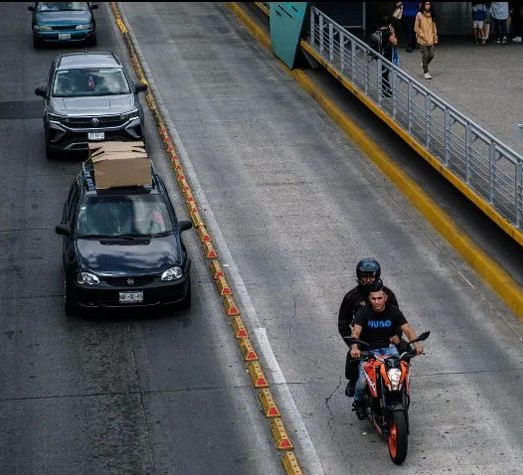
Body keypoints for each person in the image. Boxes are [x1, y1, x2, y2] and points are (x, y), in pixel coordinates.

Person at [349, 280, 424, 419]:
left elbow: (407, 329)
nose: (376, 302)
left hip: (389, 351)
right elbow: (356, 332)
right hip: (369, 353)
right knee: (362, 382)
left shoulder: (393, 311)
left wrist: (416, 344)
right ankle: (358, 403)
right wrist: (354, 347)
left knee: (401, 375)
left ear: (385, 297)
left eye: (379, 298)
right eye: (373, 299)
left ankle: (399, 397)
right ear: (369, 299)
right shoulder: (363, 313)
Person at [338, 258, 406, 398]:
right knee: (353, 359)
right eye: (365, 276)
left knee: (406, 350)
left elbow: (397, 318)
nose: (368, 280)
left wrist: (397, 335)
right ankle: (353, 382)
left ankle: (401, 380)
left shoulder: (387, 294)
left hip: (386, 339)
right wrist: (353, 343)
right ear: (359, 276)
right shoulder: (352, 296)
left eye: (371, 276)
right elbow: (343, 322)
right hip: (364, 341)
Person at [415, 2, 438, 80]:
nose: (428, 6)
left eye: (429, 4)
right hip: (422, 40)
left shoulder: (432, 15)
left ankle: (424, 63)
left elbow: (434, 27)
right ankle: (426, 72)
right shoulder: (419, 14)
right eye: (426, 4)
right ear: (423, 5)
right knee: (425, 55)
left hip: (430, 39)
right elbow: (416, 28)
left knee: (431, 55)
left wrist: (435, 37)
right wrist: (422, 35)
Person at [377, 16, 398, 97]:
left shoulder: (378, 31)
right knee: (385, 73)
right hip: (386, 55)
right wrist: (393, 33)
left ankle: (385, 89)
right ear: (389, 24)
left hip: (379, 54)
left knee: (384, 72)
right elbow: (395, 42)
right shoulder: (387, 33)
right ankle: (386, 90)